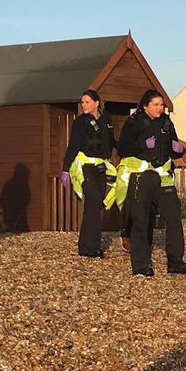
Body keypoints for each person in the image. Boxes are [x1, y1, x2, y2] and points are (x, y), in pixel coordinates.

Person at [116, 89, 186, 276]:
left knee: (173, 217)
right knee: (140, 219)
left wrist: (179, 150)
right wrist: (142, 145)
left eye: (162, 104)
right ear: (145, 106)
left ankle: (175, 262)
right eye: (156, 105)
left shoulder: (166, 122)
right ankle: (141, 265)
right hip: (141, 176)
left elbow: (173, 149)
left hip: (163, 175)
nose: (160, 108)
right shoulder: (134, 123)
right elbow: (122, 149)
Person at [60, 89, 117, 258]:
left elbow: (113, 142)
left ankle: (88, 245)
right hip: (85, 167)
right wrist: (65, 169)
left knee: (95, 205)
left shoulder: (107, 120)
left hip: (101, 167)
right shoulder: (80, 122)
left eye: (87, 102)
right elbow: (73, 146)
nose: (84, 105)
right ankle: (89, 247)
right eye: (82, 102)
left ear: (96, 103)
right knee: (93, 200)